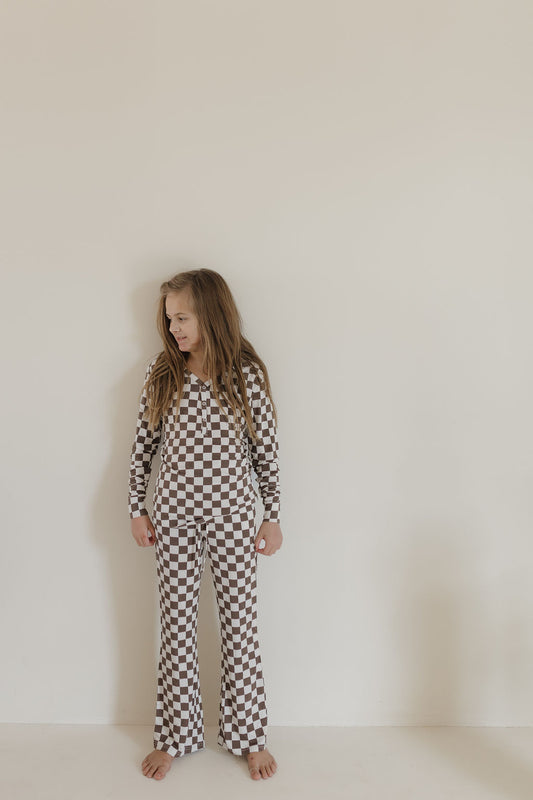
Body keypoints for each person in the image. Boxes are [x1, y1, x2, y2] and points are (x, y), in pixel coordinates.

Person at [128, 268, 283, 781]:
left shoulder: (245, 375)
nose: (173, 328)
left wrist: (272, 516)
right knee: (177, 626)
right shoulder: (163, 372)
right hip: (172, 517)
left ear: (211, 314)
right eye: (168, 319)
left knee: (240, 626)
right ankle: (175, 735)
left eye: (182, 317)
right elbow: (143, 447)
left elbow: (265, 452)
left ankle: (250, 736)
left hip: (234, 518)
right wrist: (137, 507)